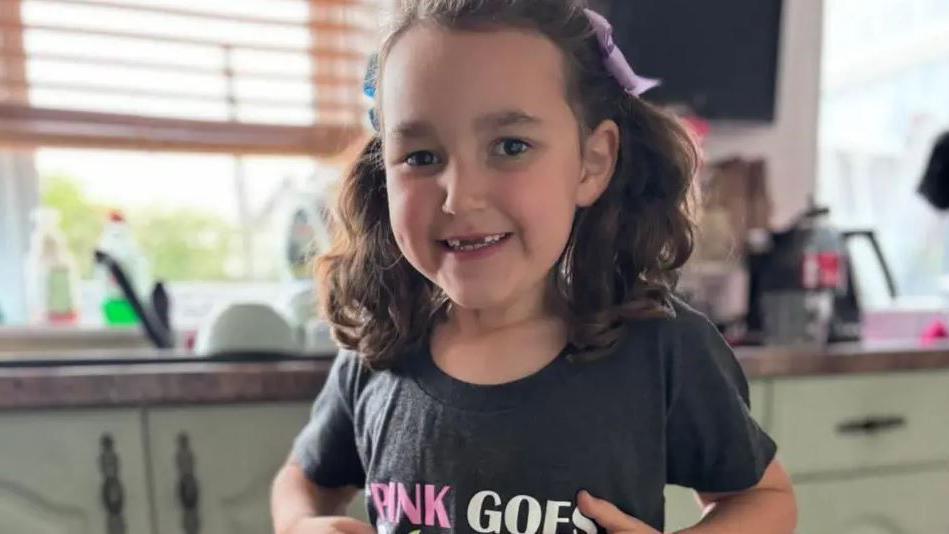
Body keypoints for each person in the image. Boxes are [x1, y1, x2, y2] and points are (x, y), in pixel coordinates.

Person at [271, 1, 797, 532]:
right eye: (422, 157)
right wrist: (300, 526)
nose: (460, 197)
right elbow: (301, 481)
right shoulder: (379, 349)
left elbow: (767, 500)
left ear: (592, 162)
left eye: (510, 146)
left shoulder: (662, 349)